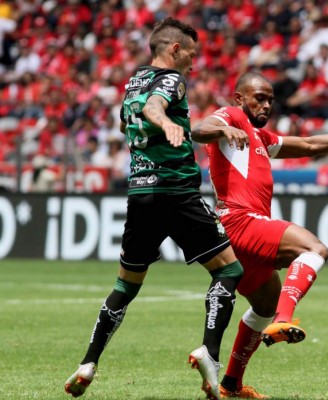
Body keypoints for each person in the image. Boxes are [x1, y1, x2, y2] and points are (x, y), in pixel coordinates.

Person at [64, 18, 246, 400]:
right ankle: (209, 354)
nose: (194, 64)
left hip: (140, 193)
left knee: (125, 285)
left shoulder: (133, 81)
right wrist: (165, 122)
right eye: (192, 55)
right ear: (175, 50)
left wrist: (204, 129)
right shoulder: (171, 80)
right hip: (176, 191)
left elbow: (128, 121)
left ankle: (88, 363)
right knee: (229, 269)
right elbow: (155, 108)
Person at [192, 71, 328, 398]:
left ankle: (231, 384)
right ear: (239, 98)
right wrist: (225, 127)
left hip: (239, 234)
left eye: (271, 99)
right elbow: (198, 130)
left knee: (264, 305)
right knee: (315, 249)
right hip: (240, 221)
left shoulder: (262, 138)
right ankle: (285, 320)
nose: (267, 104)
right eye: (260, 97)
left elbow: (312, 144)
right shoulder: (230, 117)